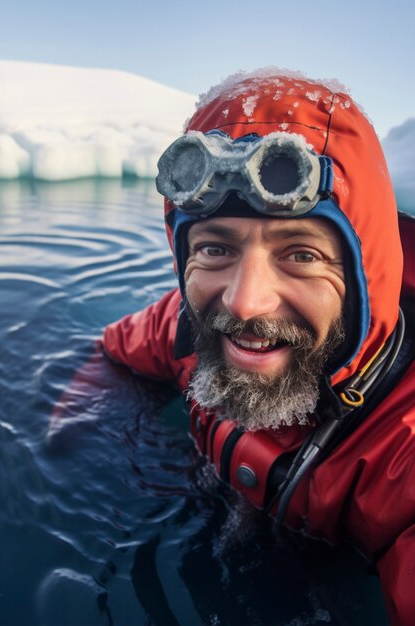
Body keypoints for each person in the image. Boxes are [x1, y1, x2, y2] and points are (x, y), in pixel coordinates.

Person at [58, 70, 415, 624]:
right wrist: (68, 443)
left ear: (367, 274)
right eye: (215, 249)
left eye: (301, 254)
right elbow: (112, 353)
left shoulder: (404, 447)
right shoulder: (182, 328)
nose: (245, 303)